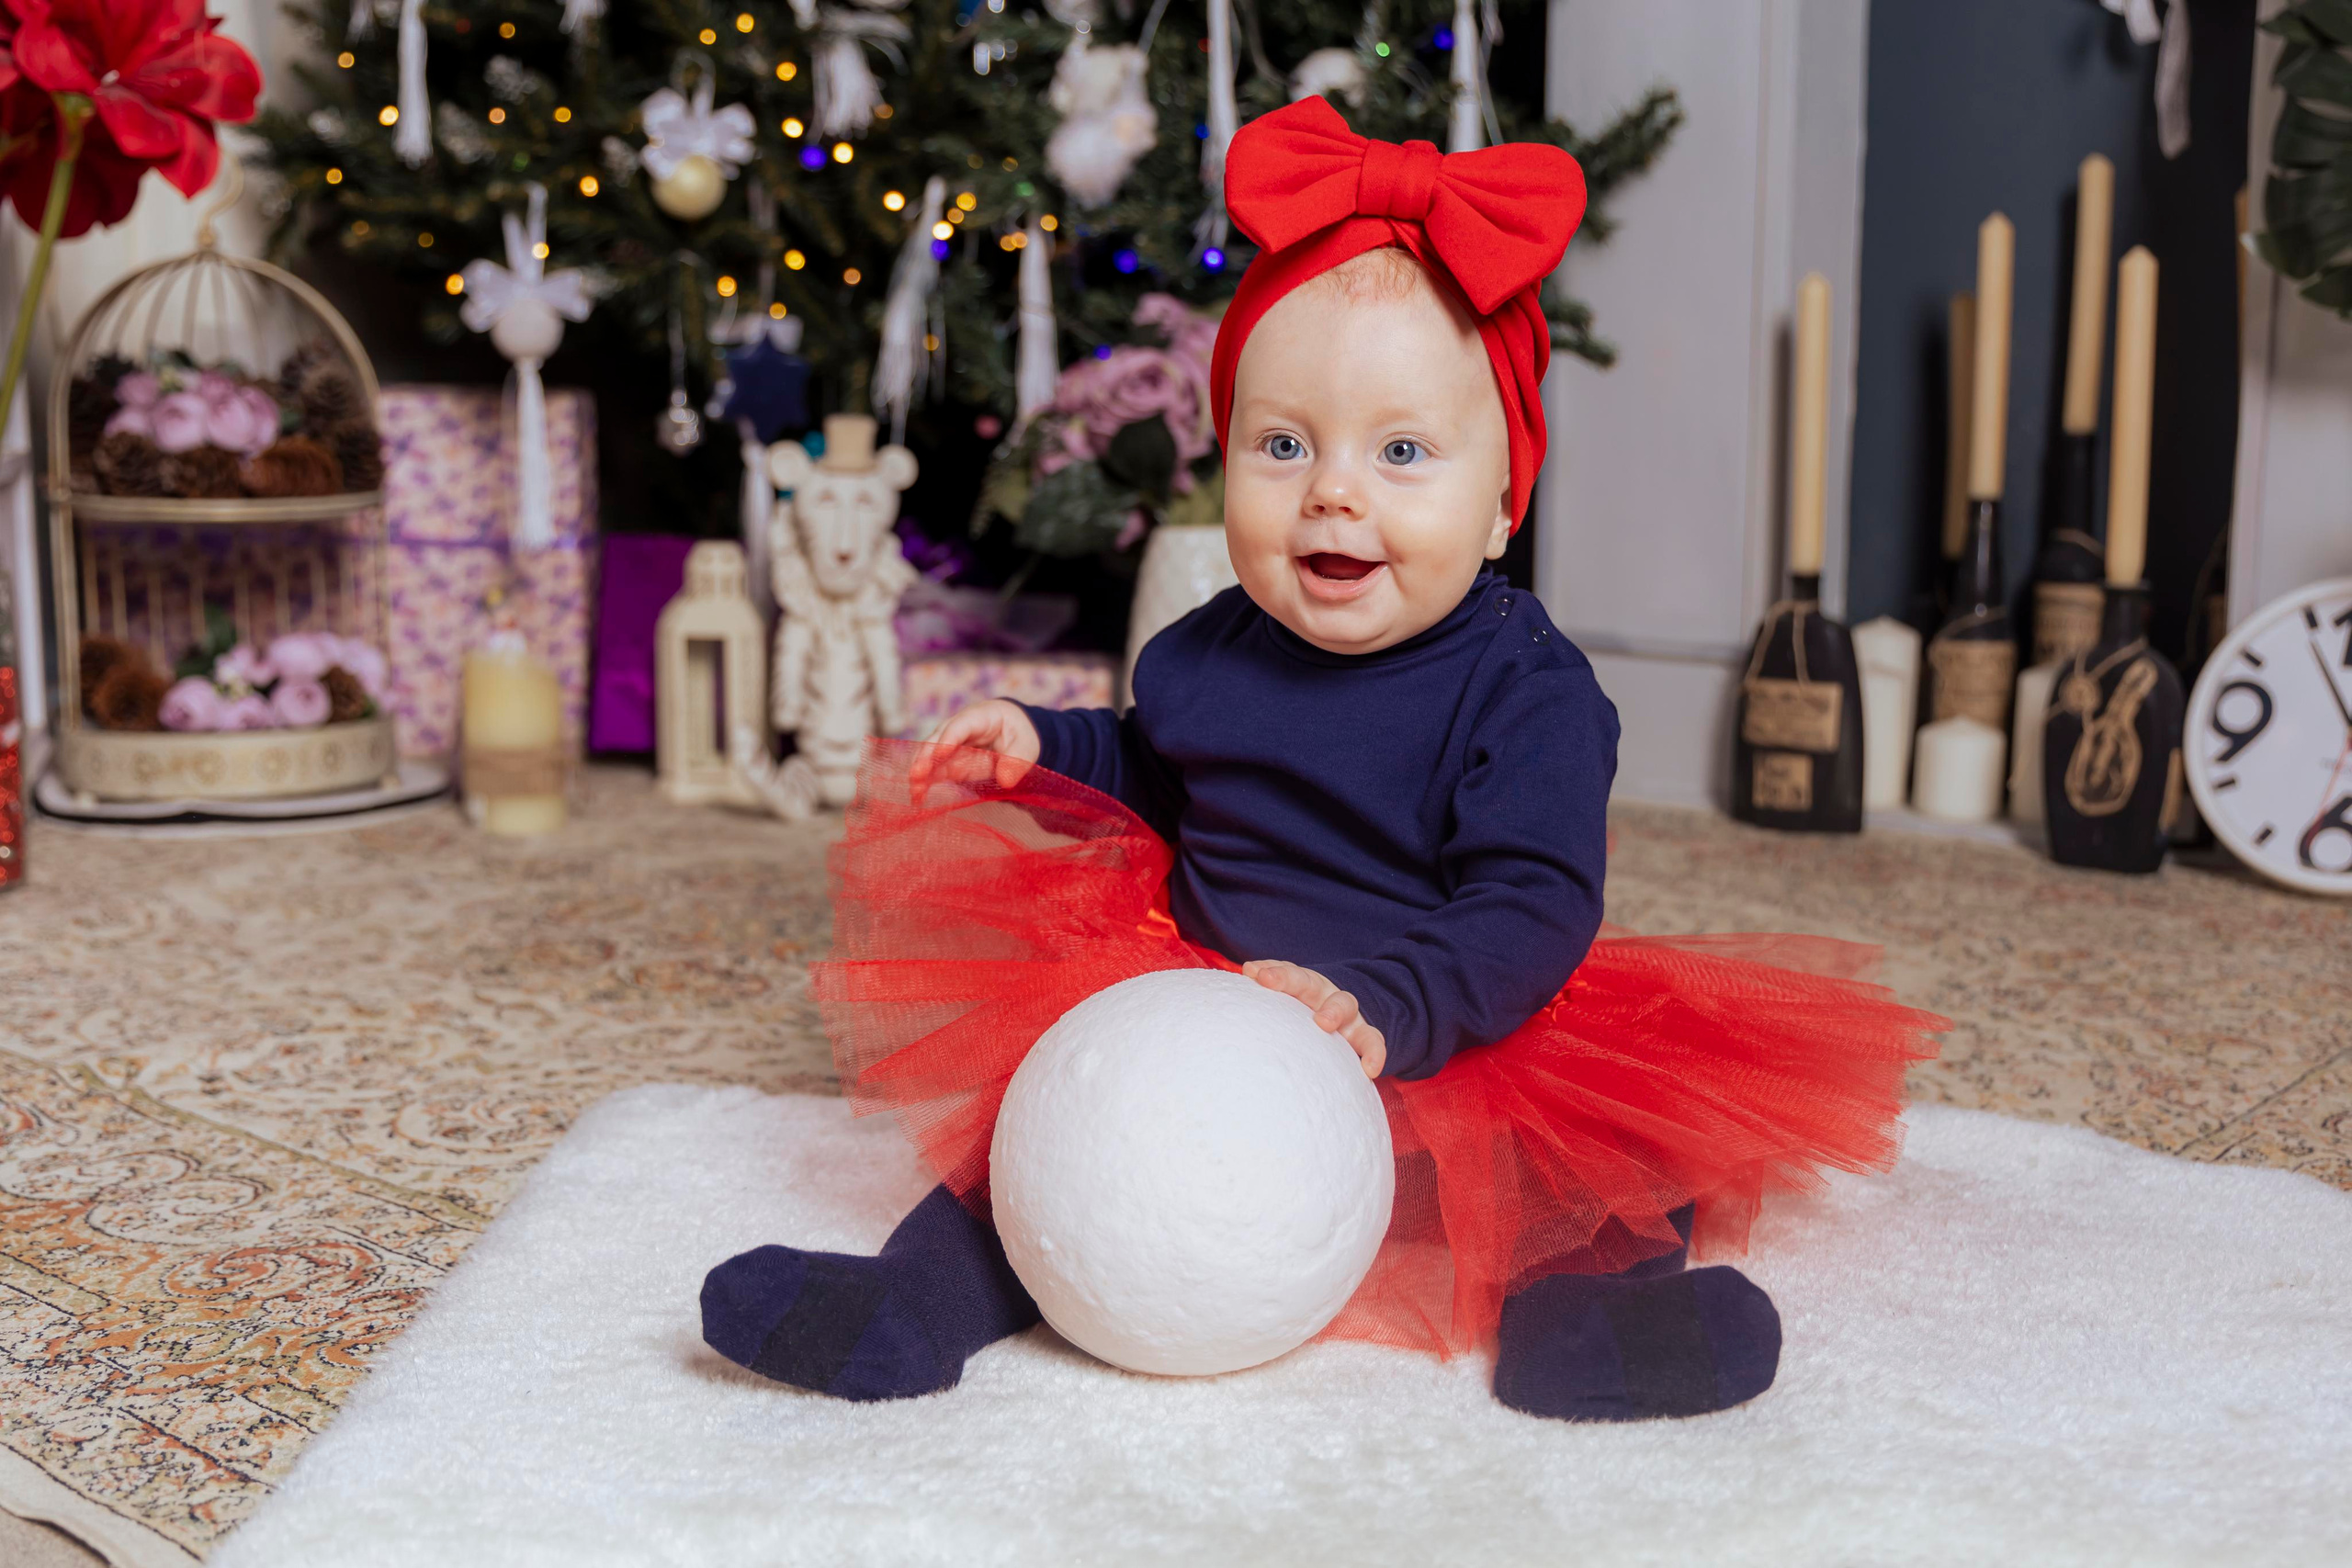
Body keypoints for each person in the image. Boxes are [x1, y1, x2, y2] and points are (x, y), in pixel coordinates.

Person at [701, 96, 1944, 1421]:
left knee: (1580, 1169)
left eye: (1402, 453)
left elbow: (1532, 903)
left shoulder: (1528, 694)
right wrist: (1045, 751)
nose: (1333, 491)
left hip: (1446, 1024)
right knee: (1054, 1128)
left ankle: (1599, 1323)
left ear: (1504, 502)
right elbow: (1159, 773)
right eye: (1283, 445)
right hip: (1212, 1000)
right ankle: (908, 1303)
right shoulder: (1210, 650)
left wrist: (1389, 1007)